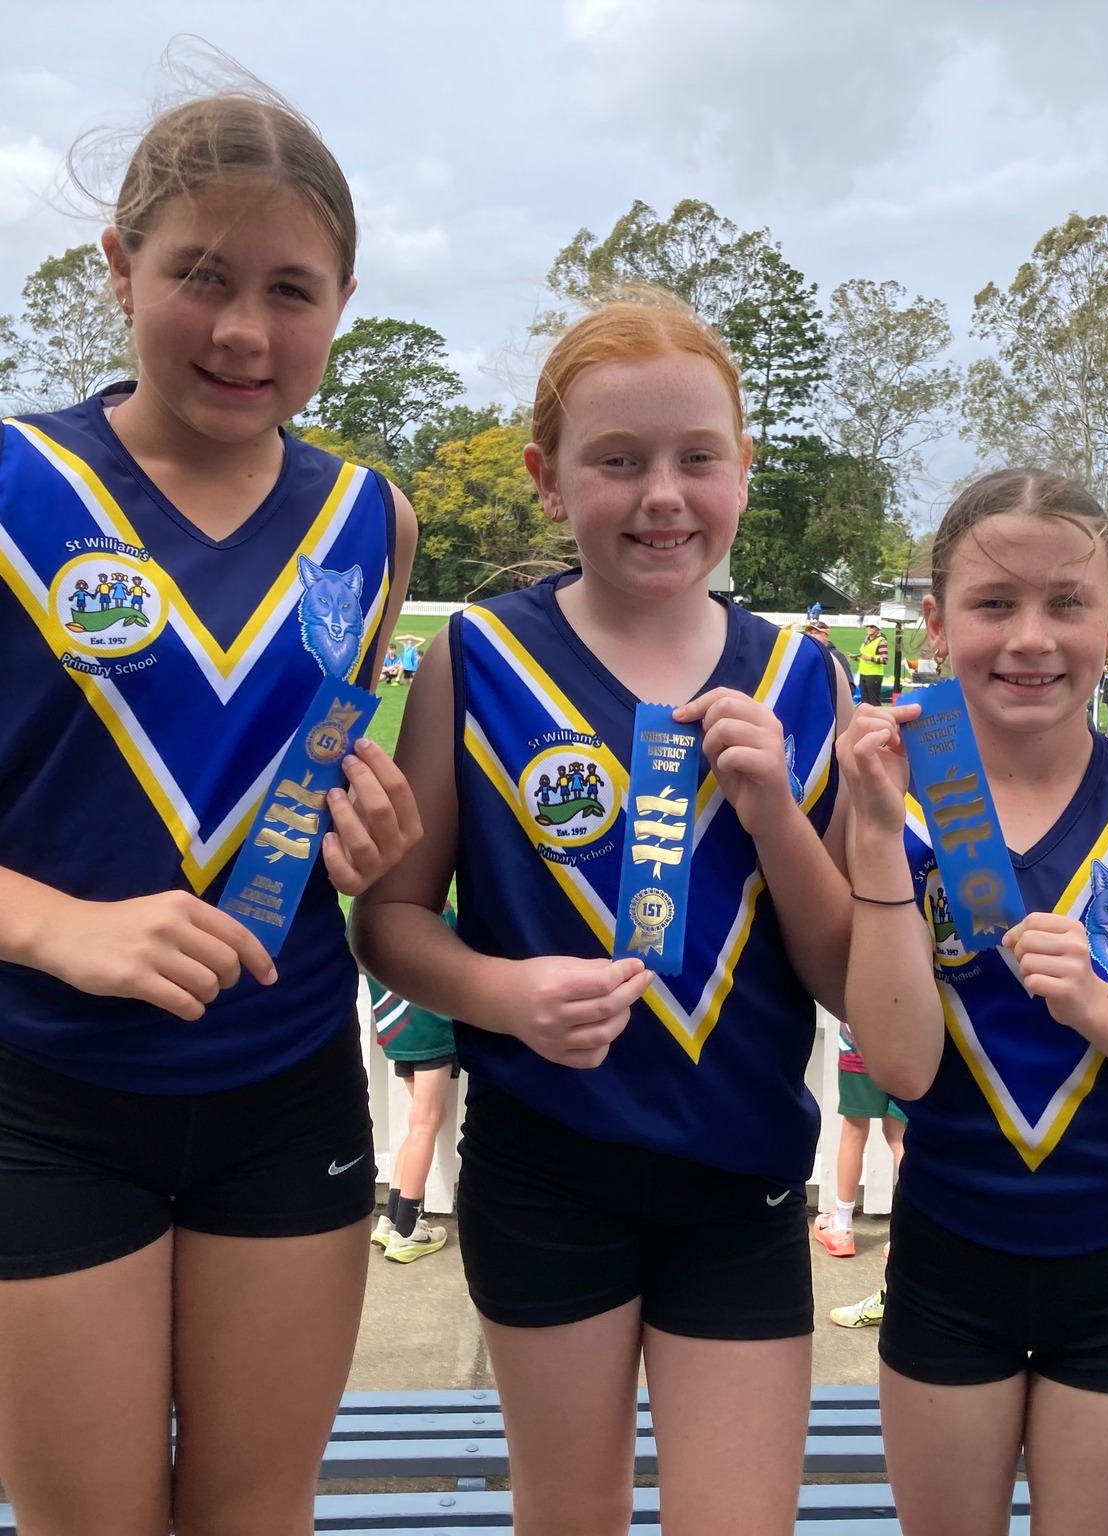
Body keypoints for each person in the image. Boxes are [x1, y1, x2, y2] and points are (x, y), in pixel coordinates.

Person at [351, 292, 855, 1536]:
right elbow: (391, 920)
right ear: (547, 478)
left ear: (744, 467)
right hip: (545, 1177)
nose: (662, 496)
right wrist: (499, 994)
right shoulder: (473, 660)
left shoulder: (803, 675)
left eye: (698, 459)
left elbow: (850, 971)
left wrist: (782, 811)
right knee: (565, 1515)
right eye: (616, 463)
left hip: (739, 1176)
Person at [0, 76, 422, 1536]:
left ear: (341, 304)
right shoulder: (11, 484)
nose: (244, 330)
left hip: (284, 1092)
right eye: (200, 276)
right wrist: (60, 929)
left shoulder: (372, 515)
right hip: (42, 1099)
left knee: (256, 1514)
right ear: (120, 267)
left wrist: (369, 841)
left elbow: (321, 804)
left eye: (290, 291)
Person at [837, 468, 1108, 1536]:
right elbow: (898, 1068)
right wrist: (880, 839)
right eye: (992, 605)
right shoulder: (889, 800)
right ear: (934, 626)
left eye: (1066, 603)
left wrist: (1105, 1011)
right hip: (942, 1271)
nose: (1031, 638)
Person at [367, 904, 460, 1264]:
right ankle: (407, 1230)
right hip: (431, 1028)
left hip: (398, 1032)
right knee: (426, 1121)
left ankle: (392, 1217)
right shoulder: (434, 913)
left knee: (423, 1120)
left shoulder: (375, 911)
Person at [811, 1021, 906, 1258]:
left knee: (854, 1131)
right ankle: (909, 1234)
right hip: (906, 1048)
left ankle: (841, 1226)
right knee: (900, 1137)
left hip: (860, 1047)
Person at [857, 621, 889, 705]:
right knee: (865, 702)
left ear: (877, 629)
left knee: (874, 702)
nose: (869, 628)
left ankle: (877, 717)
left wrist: (870, 658)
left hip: (874, 675)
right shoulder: (866, 640)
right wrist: (857, 658)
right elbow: (865, 656)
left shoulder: (881, 641)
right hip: (863, 673)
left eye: (872, 627)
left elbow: (885, 659)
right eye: (868, 626)